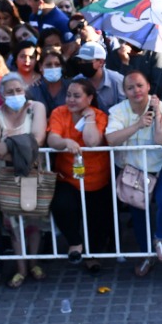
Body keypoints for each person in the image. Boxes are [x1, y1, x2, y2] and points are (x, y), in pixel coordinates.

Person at [107, 71, 162, 278]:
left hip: (160, 167)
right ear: (124, 91)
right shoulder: (118, 111)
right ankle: (147, 255)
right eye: (131, 87)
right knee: (138, 213)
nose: (136, 91)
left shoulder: (161, 107)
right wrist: (137, 125)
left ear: (148, 86)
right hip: (132, 170)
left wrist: (157, 115)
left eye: (140, 85)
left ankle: (160, 238)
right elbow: (111, 139)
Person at [0, 72, 48, 288]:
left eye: (18, 90)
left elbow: (38, 139)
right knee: (13, 224)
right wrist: (21, 149)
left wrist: (8, 146)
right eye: (10, 91)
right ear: (2, 94)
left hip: (31, 172)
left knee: (32, 222)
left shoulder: (36, 108)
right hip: (4, 175)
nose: (15, 94)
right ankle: (20, 268)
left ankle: (34, 262)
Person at [46, 77, 115, 273]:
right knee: (62, 205)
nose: (71, 99)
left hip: (97, 179)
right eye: (68, 95)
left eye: (77, 96)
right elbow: (52, 138)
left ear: (89, 97)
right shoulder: (59, 113)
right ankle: (75, 243)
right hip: (68, 177)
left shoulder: (100, 115)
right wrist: (65, 143)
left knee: (96, 220)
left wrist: (90, 118)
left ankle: (92, 256)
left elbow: (92, 142)